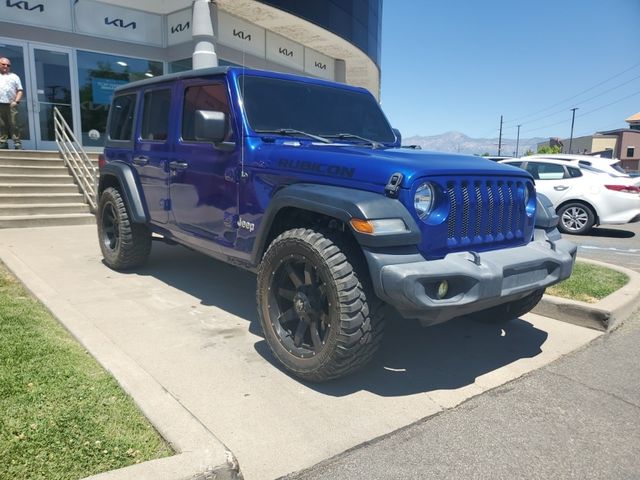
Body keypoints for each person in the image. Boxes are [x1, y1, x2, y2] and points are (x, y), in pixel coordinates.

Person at [0, 57, 24, 149]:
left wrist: (16, 101)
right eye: (3, 64)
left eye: (8, 65)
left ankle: (17, 143)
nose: (6, 66)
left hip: (11, 104)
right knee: (1, 124)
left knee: (14, 123)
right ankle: (3, 142)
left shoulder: (14, 77)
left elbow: (20, 90)